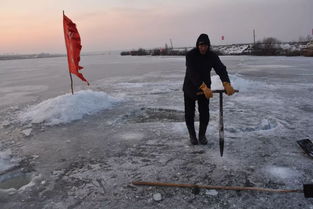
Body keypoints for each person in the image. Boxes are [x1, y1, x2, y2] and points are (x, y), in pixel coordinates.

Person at [183, 33, 235, 145]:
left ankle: (202, 135)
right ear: (197, 45)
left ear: (208, 46)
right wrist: (203, 87)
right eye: (201, 45)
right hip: (190, 87)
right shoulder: (190, 55)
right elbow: (192, 74)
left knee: (205, 113)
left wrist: (226, 83)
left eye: (205, 46)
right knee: (189, 113)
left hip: (205, 89)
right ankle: (192, 136)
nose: (203, 48)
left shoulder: (212, 56)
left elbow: (221, 69)